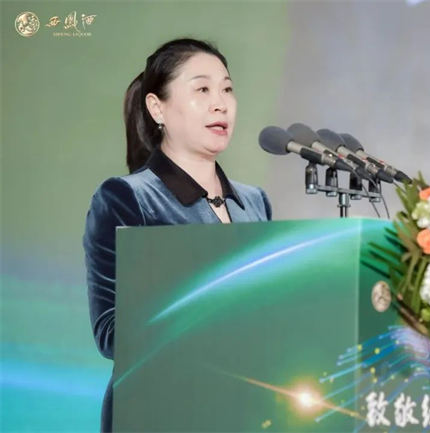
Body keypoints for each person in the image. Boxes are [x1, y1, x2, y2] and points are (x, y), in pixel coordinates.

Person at [82, 38, 272, 433]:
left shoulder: (254, 203)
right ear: (157, 108)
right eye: (202, 89)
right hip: (159, 412)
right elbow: (111, 332)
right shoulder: (127, 198)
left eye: (227, 89)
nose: (220, 104)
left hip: (241, 411)